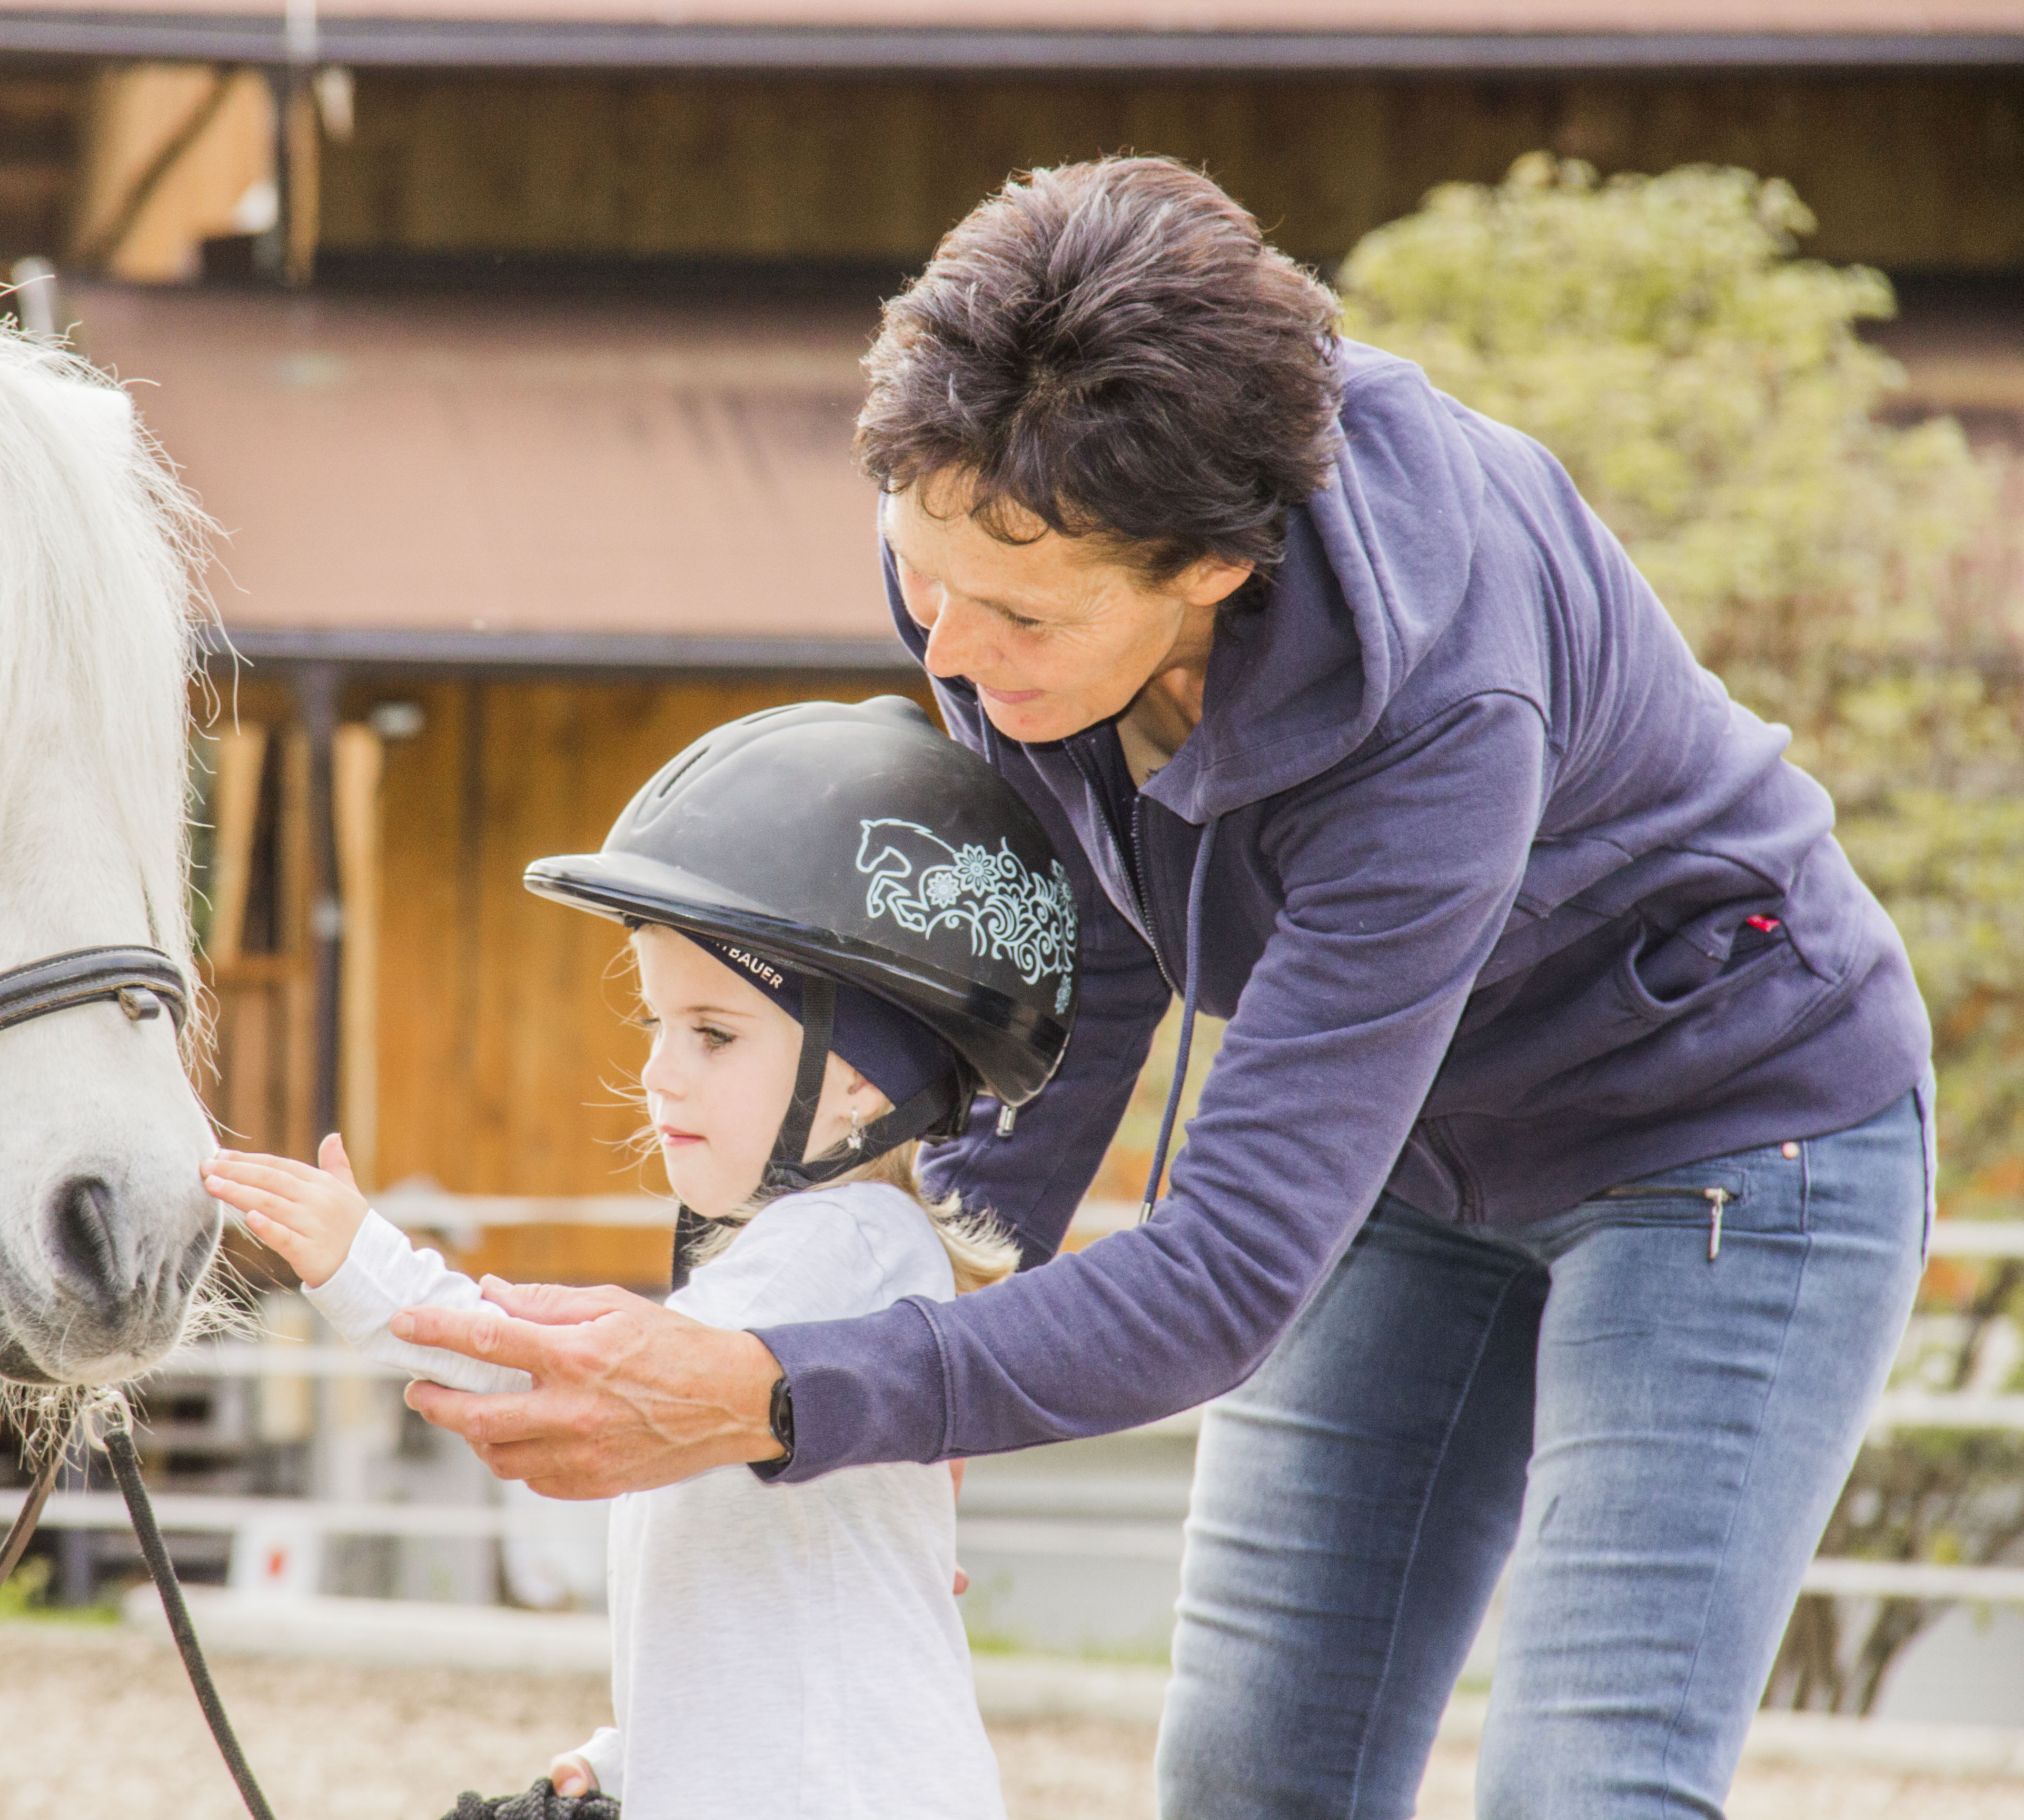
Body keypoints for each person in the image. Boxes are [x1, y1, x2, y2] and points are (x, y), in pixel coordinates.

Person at [384, 157, 1936, 1818]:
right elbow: (1094, 925)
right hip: (1409, 1153)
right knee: (1249, 1779)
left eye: (1020, 614)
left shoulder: (1440, 707)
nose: (949, 660)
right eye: (923, 578)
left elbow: (1221, 1277)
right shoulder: (988, 535)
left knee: (1584, 1788)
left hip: (1723, 1130)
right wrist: (939, 1334)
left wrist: (791, 1396)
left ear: (1212, 567)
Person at [207, 700, 1065, 1819]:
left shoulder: (842, 1249)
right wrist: (632, 1758)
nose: (659, 1073)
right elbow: (770, 1606)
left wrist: (363, 1267)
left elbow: (559, 1374)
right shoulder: (812, 1266)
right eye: (655, 1026)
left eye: (712, 1033)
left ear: (863, 1079)